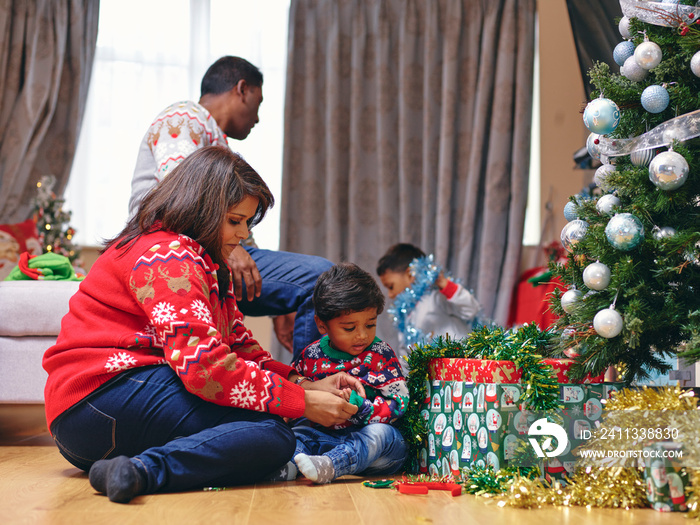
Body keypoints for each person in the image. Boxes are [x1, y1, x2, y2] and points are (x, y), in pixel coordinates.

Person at [43, 147, 365, 504]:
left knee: (270, 430)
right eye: (234, 220)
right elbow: (206, 368)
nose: (244, 234)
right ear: (202, 209)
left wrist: (303, 383)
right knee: (272, 432)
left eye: (247, 222)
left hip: (101, 415)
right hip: (96, 403)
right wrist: (302, 402)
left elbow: (242, 349)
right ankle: (143, 472)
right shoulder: (169, 257)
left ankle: (130, 468)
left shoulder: (206, 262)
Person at [128, 55, 332, 359]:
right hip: (169, 245)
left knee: (315, 284)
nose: (258, 118)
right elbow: (179, 191)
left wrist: (280, 303)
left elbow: (240, 228)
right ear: (242, 89)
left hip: (211, 246)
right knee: (320, 277)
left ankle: (305, 388)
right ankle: (310, 391)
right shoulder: (184, 117)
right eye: (258, 103)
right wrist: (227, 245)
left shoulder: (219, 146)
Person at [278, 263, 408, 484]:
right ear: (322, 324)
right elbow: (297, 398)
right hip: (323, 440)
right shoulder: (310, 355)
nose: (361, 335)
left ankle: (332, 464)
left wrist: (360, 407)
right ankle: (288, 467)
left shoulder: (381, 354)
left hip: (371, 449)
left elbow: (399, 402)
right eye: (349, 328)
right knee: (295, 435)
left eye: (370, 325)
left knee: (385, 436)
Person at [376, 243, 481, 371]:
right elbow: (407, 357)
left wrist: (445, 284)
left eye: (391, 286)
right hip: (436, 379)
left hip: (462, 370)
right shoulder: (404, 317)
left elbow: (470, 309)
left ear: (410, 274)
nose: (391, 295)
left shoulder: (436, 297)